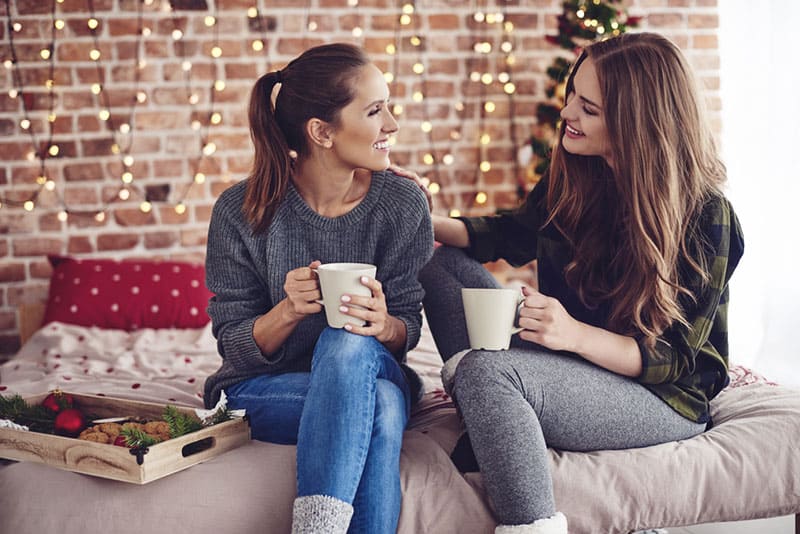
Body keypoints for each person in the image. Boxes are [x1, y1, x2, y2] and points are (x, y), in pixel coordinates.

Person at [414, 32, 744, 534]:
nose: (567, 113)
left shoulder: (705, 215)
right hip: (567, 364)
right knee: (440, 267)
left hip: (660, 396)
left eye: (588, 108)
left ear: (637, 122)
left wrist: (572, 335)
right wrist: (421, 215)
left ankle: (533, 520)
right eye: (573, 95)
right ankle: (498, 403)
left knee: (485, 372)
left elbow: (672, 360)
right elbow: (509, 233)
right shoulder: (577, 178)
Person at [202, 43, 433, 534]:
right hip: (262, 390)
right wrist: (288, 310)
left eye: (389, 106)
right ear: (322, 132)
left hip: (373, 370)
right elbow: (233, 346)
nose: (392, 124)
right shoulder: (240, 212)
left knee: (348, 337)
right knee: (384, 409)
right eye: (375, 111)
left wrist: (384, 323)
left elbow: (407, 329)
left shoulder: (402, 203)